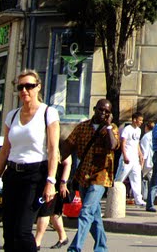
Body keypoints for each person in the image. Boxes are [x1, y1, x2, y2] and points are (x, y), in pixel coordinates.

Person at [0, 70, 60, 252]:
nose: (24, 90)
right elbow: (4, 151)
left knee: (23, 231)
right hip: (12, 175)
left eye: (29, 86)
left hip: (35, 175)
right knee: (9, 233)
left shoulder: (48, 113)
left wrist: (51, 181)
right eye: (21, 87)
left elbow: (52, 150)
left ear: (38, 87)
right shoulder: (12, 115)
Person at [62, 99, 119, 252]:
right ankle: (101, 247)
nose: (104, 113)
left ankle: (75, 248)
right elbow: (68, 146)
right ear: (94, 109)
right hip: (84, 175)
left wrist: (107, 126)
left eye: (107, 111)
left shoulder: (111, 128)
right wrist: (54, 163)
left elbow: (113, 145)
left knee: (86, 211)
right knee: (94, 215)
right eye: (101, 110)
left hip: (101, 176)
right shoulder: (82, 128)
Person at [35, 153, 71, 249]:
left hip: (53, 184)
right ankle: (63, 237)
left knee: (45, 211)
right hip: (41, 181)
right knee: (54, 212)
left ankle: (37, 241)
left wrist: (63, 183)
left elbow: (68, 162)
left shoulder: (59, 143)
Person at [115, 113, 143, 207]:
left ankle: (138, 199)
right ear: (134, 120)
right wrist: (125, 155)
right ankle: (113, 195)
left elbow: (137, 143)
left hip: (135, 158)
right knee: (120, 177)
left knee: (136, 178)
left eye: (142, 120)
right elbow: (123, 143)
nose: (141, 122)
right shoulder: (127, 129)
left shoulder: (139, 130)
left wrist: (140, 154)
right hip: (127, 157)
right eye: (140, 120)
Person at [138, 121, 154, 204]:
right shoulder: (154, 135)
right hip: (152, 161)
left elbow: (145, 151)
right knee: (152, 179)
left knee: (138, 178)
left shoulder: (146, 136)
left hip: (146, 161)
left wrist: (142, 162)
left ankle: (138, 196)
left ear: (146, 127)